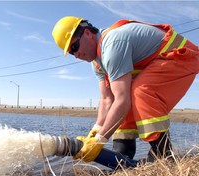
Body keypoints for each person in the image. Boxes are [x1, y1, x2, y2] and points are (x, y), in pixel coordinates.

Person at [52, 16, 199, 163]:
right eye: (71, 53)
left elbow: (122, 101)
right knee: (121, 103)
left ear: (88, 33)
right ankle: (123, 154)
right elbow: (107, 99)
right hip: (154, 63)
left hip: (181, 56)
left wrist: (100, 141)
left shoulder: (113, 44)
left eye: (75, 47)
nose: (76, 55)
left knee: (140, 91)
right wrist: (96, 130)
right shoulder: (96, 62)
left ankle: (162, 153)